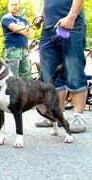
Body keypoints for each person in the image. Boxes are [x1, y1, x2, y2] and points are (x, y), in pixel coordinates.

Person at [34, 0, 87, 133]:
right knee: (51, 74)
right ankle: (57, 115)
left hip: (72, 25)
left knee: (74, 70)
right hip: (48, 28)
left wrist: (71, 17)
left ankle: (78, 116)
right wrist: (40, 16)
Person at [1, 0, 34, 80]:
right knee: (13, 76)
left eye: (16, 4)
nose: (14, 6)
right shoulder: (6, 18)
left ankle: (26, 92)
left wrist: (22, 30)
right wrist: (25, 29)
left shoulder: (24, 20)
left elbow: (31, 33)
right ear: (8, 6)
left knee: (27, 76)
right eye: (12, 5)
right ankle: (13, 93)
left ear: (19, 5)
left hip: (25, 49)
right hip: (12, 49)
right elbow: (16, 29)